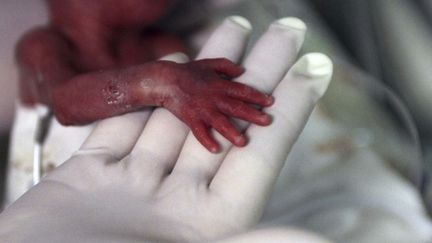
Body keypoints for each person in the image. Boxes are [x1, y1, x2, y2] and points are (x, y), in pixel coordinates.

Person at [0, 16, 334, 242]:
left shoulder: (161, 43)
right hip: (52, 176)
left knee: (213, 181)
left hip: (150, 170)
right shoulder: (45, 45)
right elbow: (65, 104)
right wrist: (158, 83)